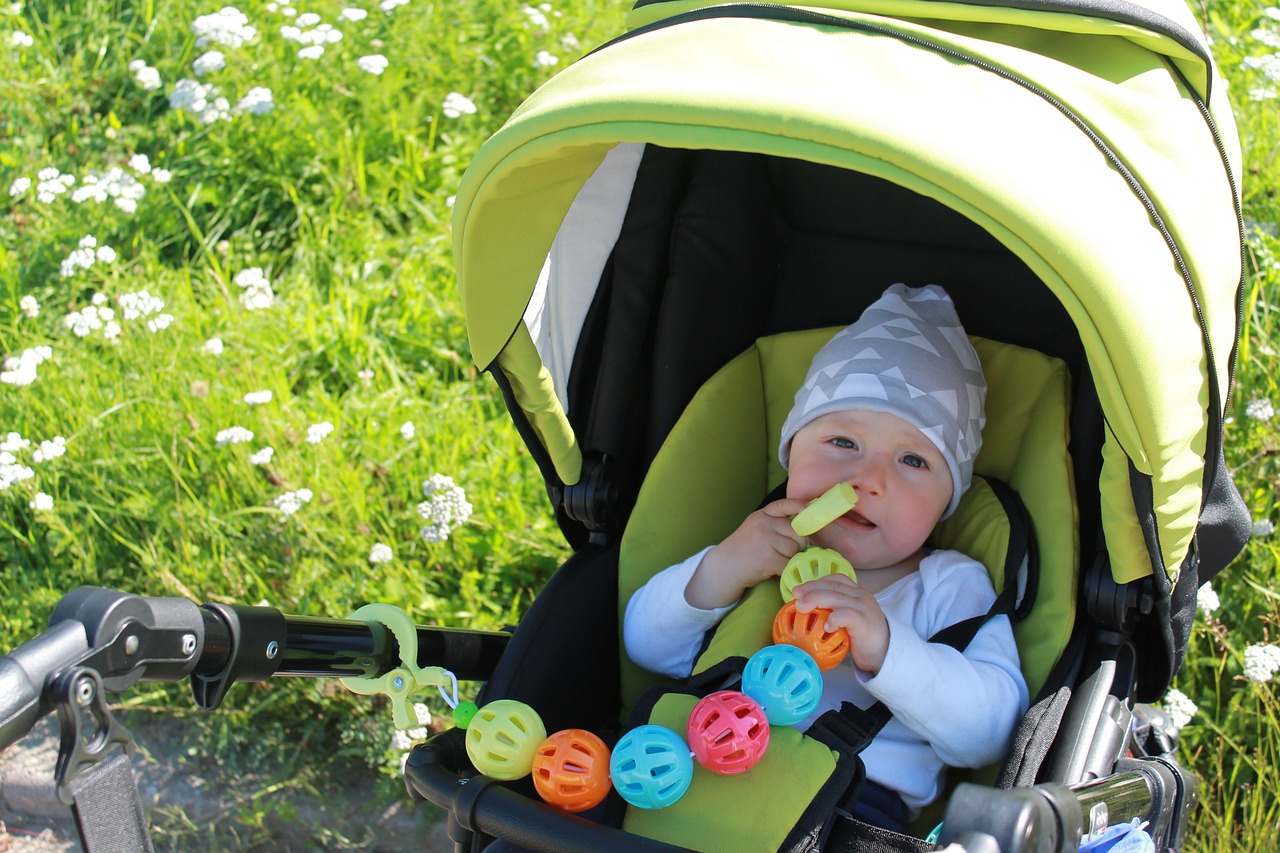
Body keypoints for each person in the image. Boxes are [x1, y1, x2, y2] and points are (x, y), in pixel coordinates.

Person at [623, 283, 1030, 833]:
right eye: (842, 442)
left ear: (943, 507)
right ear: (792, 455)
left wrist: (887, 647)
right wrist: (722, 568)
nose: (867, 480)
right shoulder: (759, 546)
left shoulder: (949, 587)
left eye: (913, 460)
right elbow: (647, 646)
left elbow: (992, 736)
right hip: (691, 774)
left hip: (852, 809)